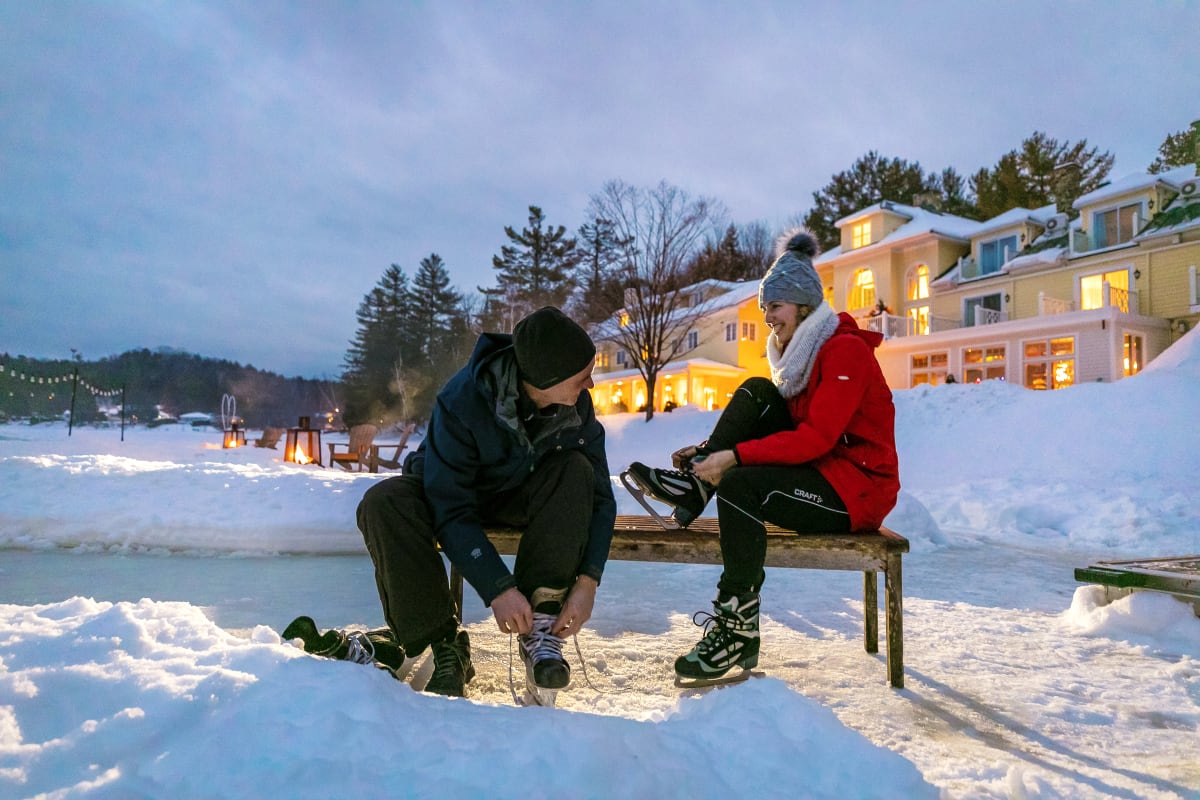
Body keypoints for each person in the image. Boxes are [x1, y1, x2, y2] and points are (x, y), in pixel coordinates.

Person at [626, 230, 899, 684]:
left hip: (857, 492)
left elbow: (815, 438)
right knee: (756, 390)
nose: (767, 316)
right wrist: (711, 452)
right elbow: (784, 433)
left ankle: (737, 630)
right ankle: (697, 482)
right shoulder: (802, 359)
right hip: (823, 473)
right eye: (765, 307)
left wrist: (733, 458)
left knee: (740, 484)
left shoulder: (844, 351)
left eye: (775, 306)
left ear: (804, 306)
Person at [336, 306, 616, 699]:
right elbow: (451, 509)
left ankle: (541, 622)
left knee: (575, 470)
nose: (591, 385)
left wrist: (588, 582)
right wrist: (499, 589)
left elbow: (601, 498)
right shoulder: (462, 400)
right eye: (583, 375)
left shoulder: (575, 406)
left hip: (518, 490)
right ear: (546, 378)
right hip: (447, 487)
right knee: (383, 502)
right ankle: (444, 641)